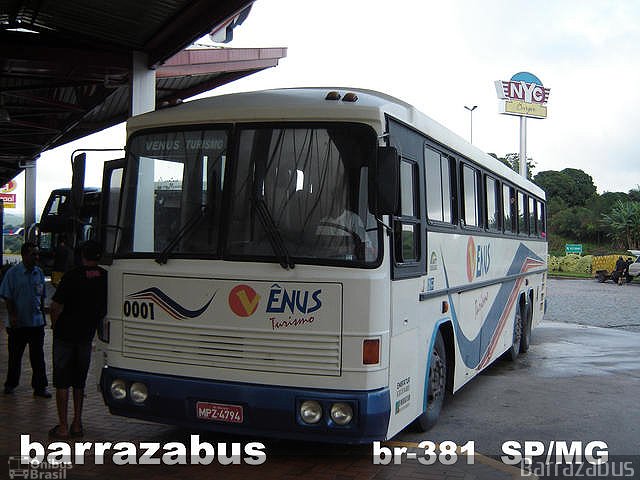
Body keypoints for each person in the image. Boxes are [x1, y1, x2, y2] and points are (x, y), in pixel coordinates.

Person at [49, 240, 107, 439]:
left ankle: (63, 426)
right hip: (85, 337)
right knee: (79, 382)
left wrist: (55, 327)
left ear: (82, 255)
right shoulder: (105, 277)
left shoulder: (71, 276)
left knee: (62, 382)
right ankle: (77, 424)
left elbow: (55, 307)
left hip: (65, 336)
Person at [0, 242, 51, 397]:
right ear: (23, 255)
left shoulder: (39, 273)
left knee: (38, 357)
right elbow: (7, 296)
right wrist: (13, 316)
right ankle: (11, 384)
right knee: (15, 356)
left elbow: (41, 297)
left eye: (37, 254)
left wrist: (42, 317)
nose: (36, 257)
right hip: (18, 325)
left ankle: (40, 387)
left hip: (36, 323)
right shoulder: (13, 274)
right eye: (33, 254)